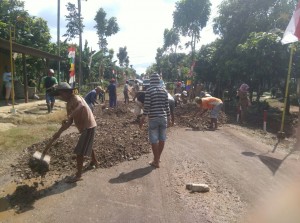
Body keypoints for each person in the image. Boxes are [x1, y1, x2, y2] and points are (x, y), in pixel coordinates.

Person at [45, 82, 99, 183]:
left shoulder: (76, 98)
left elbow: (81, 106)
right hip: (84, 127)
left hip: (89, 125)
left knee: (79, 152)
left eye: (61, 94)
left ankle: (78, 175)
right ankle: (95, 161)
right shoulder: (68, 104)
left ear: (67, 92)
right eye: (59, 95)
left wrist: (70, 115)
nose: (60, 97)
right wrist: (59, 132)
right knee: (88, 145)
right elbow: (69, 122)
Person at [139, 73, 171, 168]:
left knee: (154, 140)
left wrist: (143, 118)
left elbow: (147, 105)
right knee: (162, 139)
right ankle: (157, 159)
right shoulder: (164, 91)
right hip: (164, 117)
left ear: (151, 81)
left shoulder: (149, 91)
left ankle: (156, 161)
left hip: (153, 118)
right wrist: (169, 118)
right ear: (158, 80)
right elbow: (167, 106)